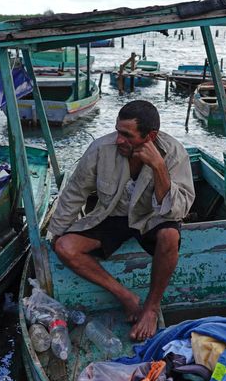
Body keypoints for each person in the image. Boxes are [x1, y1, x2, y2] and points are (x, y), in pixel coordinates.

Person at [48, 100, 195, 341]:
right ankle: (126, 296)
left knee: (170, 235)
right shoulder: (100, 149)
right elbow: (75, 193)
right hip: (112, 216)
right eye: (118, 131)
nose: (119, 140)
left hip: (151, 218)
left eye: (127, 135)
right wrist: (55, 235)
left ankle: (150, 307)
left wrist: (158, 167)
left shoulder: (173, 153)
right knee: (65, 247)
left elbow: (176, 211)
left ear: (150, 136)